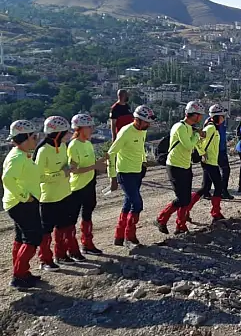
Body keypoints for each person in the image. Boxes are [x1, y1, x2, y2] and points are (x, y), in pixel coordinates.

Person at [33, 116, 78, 270]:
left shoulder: (63, 146)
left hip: (65, 192)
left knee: (64, 226)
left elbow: (64, 165)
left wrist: (70, 166)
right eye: (65, 132)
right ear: (56, 134)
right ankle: (45, 259)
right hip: (48, 197)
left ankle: (61, 254)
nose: (68, 135)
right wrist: (61, 174)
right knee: (46, 230)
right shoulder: (43, 151)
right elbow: (38, 176)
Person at [108, 105, 156, 248]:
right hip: (124, 173)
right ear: (138, 120)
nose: (149, 125)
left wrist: (143, 163)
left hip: (137, 172)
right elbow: (111, 153)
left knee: (128, 203)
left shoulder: (142, 131)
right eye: (146, 122)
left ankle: (119, 237)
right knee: (137, 204)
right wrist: (112, 177)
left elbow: (140, 147)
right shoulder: (126, 132)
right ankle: (130, 236)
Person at [3, 120, 43, 288]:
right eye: (35, 136)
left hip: (21, 202)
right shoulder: (18, 157)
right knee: (33, 237)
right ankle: (19, 276)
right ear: (26, 137)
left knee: (21, 237)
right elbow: (7, 178)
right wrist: (24, 197)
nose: (37, 139)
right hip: (21, 204)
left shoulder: (20, 154)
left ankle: (21, 272)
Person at [155, 101, 205, 235]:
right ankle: (162, 218)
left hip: (185, 165)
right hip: (175, 166)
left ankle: (180, 226)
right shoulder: (180, 127)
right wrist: (196, 136)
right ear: (193, 115)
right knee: (182, 198)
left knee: (186, 198)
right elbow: (188, 146)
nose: (200, 118)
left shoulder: (189, 128)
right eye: (199, 115)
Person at [67, 114, 107, 256]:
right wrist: (95, 166)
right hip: (77, 187)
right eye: (89, 127)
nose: (91, 129)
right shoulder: (73, 146)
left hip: (90, 184)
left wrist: (103, 162)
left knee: (87, 216)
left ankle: (87, 244)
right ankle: (71, 249)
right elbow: (74, 170)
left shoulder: (88, 144)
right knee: (71, 219)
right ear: (80, 128)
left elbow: (92, 165)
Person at [186, 104, 228, 224]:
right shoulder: (210, 128)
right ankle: (216, 213)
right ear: (217, 117)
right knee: (218, 187)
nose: (223, 119)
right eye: (222, 116)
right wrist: (202, 153)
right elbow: (198, 141)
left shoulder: (213, 128)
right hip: (209, 162)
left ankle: (186, 209)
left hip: (211, 161)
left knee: (205, 188)